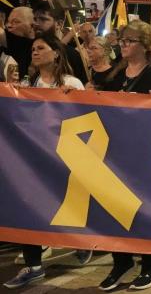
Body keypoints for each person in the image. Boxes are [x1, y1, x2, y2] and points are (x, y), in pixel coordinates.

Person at [99, 20, 151, 291]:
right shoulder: (115, 75)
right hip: (116, 152)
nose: (123, 45)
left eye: (129, 40)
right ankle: (121, 261)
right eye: (122, 40)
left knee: (144, 208)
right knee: (115, 207)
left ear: (145, 45)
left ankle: (150, 265)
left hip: (147, 152)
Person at [3, 35, 91, 290]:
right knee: (28, 205)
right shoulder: (28, 84)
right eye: (33, 48)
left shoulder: (72, 83)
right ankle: (33, 265)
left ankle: (82, 241)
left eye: (41, 48)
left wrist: (72, 99)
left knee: (66, 205)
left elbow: (86, 118)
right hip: (33, 157)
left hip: (64, 156)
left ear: (56, 53)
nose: (35, 52)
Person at [32, 4, 89, 84]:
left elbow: (82, 87)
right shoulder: (29, 48)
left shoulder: (71, 55)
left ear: (59, 24)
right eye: (35, 19)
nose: (36, 23)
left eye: (43, 19)